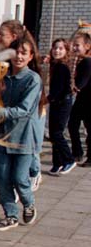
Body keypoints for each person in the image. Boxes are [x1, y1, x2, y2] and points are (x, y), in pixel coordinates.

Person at [0, 30, 43, 231]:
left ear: (31, 57)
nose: (19, 56)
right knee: (2, 178)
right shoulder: (2, 76)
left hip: (23, 138)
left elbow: (24, 109)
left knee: (20, 178)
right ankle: (10, 215)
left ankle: (29, 203)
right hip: (3, 136)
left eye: (24, 52)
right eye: (16, 52)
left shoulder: (33, 79)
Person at [0, 19, 27, 205]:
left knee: (5, 158)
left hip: (11, 116)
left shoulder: (18, 61)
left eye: (2, 34)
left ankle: (15, 189)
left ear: (14, 37)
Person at [46, 38, 75, 175]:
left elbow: (58, 89)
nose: (57, 51)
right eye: (55, 48)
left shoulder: (62, 67)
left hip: (63, 103)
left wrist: (46, 100)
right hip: (56, 102)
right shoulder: (56, 65)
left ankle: (68, 159)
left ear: (66, 51)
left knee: (57, 133)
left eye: (61, 48)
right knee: (52, 133)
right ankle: (57, 163)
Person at [68, 31, 91, 166]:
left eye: (77, 45)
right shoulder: (83, 61)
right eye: (73, 45)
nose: (74, 48)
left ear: (87, 46)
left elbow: (80, 84)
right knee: (73, 124)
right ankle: (77, 153)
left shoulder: (88, 62)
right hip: (82, 100)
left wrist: (71, 88)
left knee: (89, 129)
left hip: (88, 101)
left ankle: (85, 156)